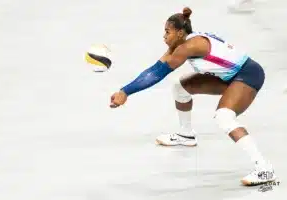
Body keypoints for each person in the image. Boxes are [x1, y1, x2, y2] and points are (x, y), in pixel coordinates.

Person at [109, 7, 276, 186]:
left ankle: (264, 169)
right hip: (228, 76)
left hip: (248, 74)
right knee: (180, 87)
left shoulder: (189, 47)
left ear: (180, 32)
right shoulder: (181, 44)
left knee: (224, 117)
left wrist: (126, 92)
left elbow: (157, 74)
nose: (164, 36)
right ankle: (186, 134)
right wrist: (124, 90)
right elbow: (155, 68)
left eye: (167, 32)